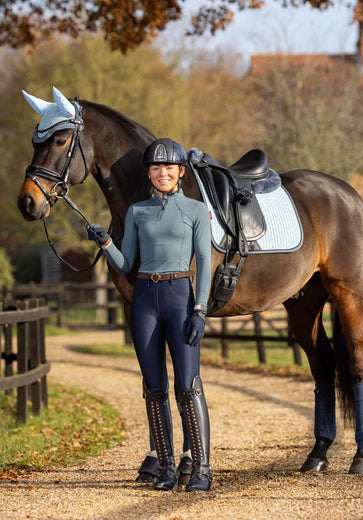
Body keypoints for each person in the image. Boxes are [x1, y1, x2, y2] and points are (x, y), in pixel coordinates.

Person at [87, 138, 212, 492]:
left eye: (169, 167)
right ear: (149, 174)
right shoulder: (137, 212)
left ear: (180, 172)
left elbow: (204, 262)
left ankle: (201, 468)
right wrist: (105, 243)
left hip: (180, 298)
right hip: (144, 298)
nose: (162, 173)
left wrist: (200, 309)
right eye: (156, 168)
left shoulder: (195, 211)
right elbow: (127, 265)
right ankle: (167, 468)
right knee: (154, 388)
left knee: (188, 386)